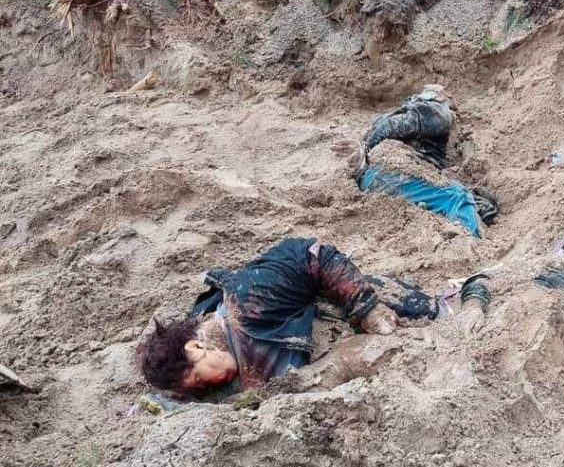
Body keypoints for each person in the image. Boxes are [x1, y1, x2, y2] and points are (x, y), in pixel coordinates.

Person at [137, 238, 491, 395]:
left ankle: (473, 292)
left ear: (197, 348)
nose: (207, 387)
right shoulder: (201, 340)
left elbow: (311, 254)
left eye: (200, 380)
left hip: (357, 310)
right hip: (324, 356)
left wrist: (366, 307)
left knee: (443, 315)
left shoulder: (249, 302)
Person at [338, 86, 498, 237]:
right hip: (394, 174)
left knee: (452, 198)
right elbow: (392, 127)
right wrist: (366, 147)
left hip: (377, 181)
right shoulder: (439, 110)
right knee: (459, 196)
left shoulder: (390, 119)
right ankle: (468, 243)